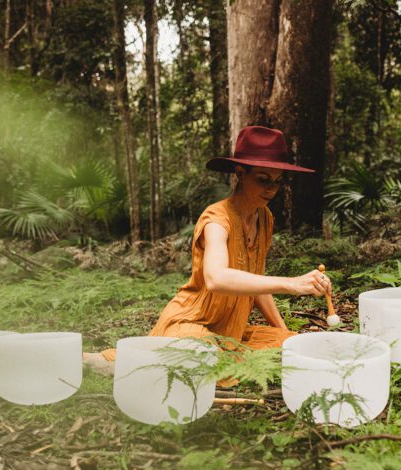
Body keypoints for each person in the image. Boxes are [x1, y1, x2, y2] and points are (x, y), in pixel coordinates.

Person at [83, 126, 332, 378]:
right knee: (203, 355)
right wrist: (292, 284)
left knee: (287, 349)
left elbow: (257, 283)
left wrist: (287, 336)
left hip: (231, 330)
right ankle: (110, 362)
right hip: (191, 322)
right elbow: (215, 278)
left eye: (278, 181)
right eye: (262, 179)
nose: (271, 189)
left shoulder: (265, 218)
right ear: (240, 174)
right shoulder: (216, 219)